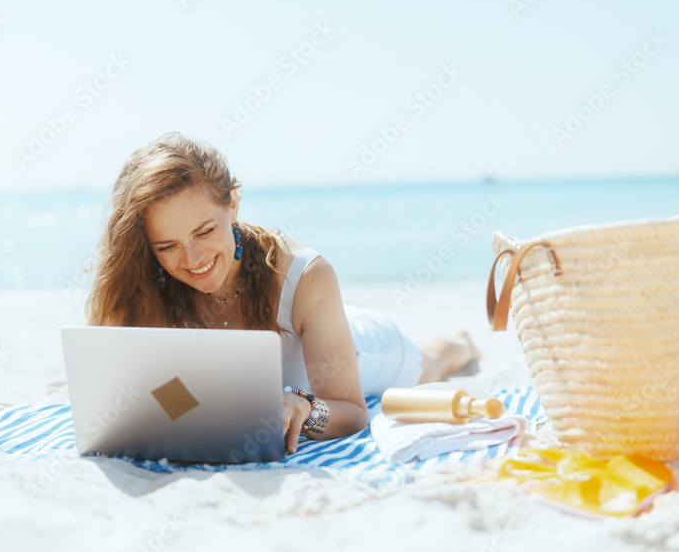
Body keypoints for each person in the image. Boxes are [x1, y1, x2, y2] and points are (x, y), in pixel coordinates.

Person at [85, 132, 480, 455]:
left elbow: (354, 413)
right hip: (320, 325)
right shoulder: (148, 286)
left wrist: (306, 411)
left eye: (205, 232)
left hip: (367, 346)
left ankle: (459, 344)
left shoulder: (307, 275)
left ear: (233, 204)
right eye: (167, 246)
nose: (193, 260)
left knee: (430, 365)